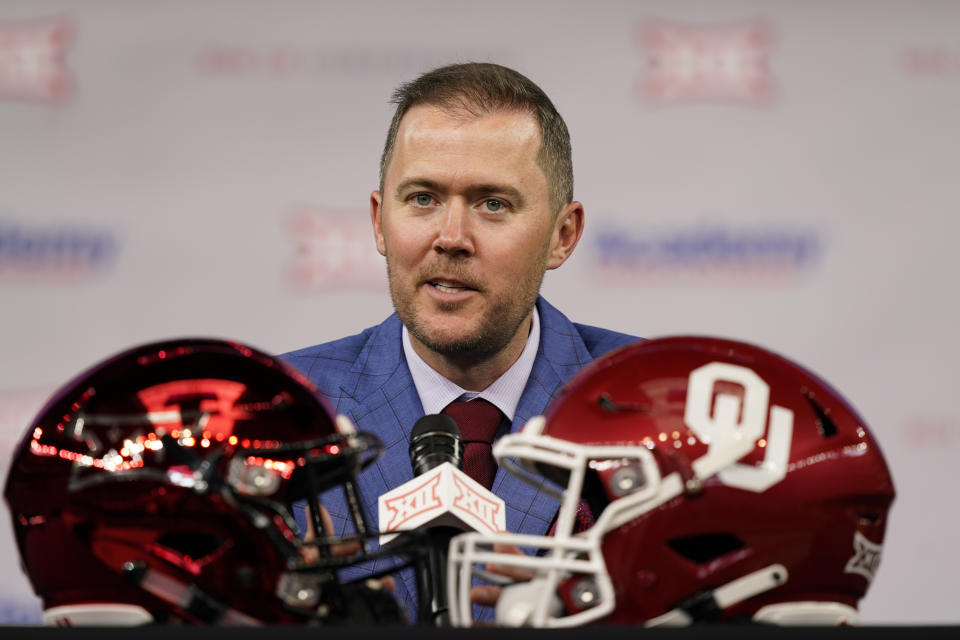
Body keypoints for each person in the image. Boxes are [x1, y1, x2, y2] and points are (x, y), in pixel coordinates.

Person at [281, 62, 639, 618]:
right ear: (380, 222)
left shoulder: (660, 408)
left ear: (562, 236)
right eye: (422, 198)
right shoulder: (280, 414)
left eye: (492, 203)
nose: (450, 238)